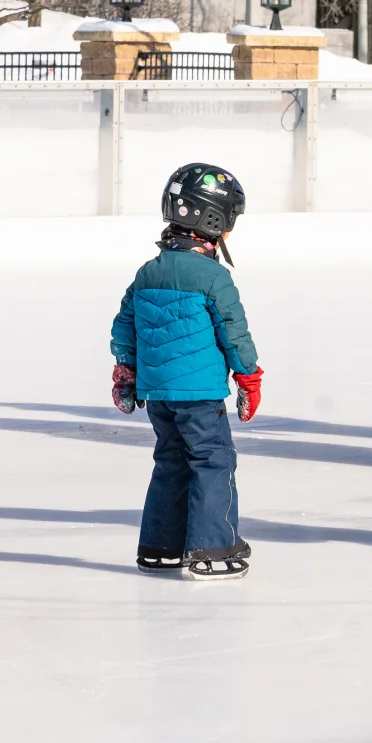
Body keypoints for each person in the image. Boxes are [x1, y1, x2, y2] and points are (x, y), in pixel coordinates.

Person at [110, 163, 261, 581]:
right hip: (200, 395)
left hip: (158, 395)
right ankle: (213, 549)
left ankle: (160, 548)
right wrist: (248, 377)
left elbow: (124, 327)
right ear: (212, 220)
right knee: (213, 462)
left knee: (171, 461)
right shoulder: (213, 276)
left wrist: (126, 371)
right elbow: (234, 333)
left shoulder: (148, 271)